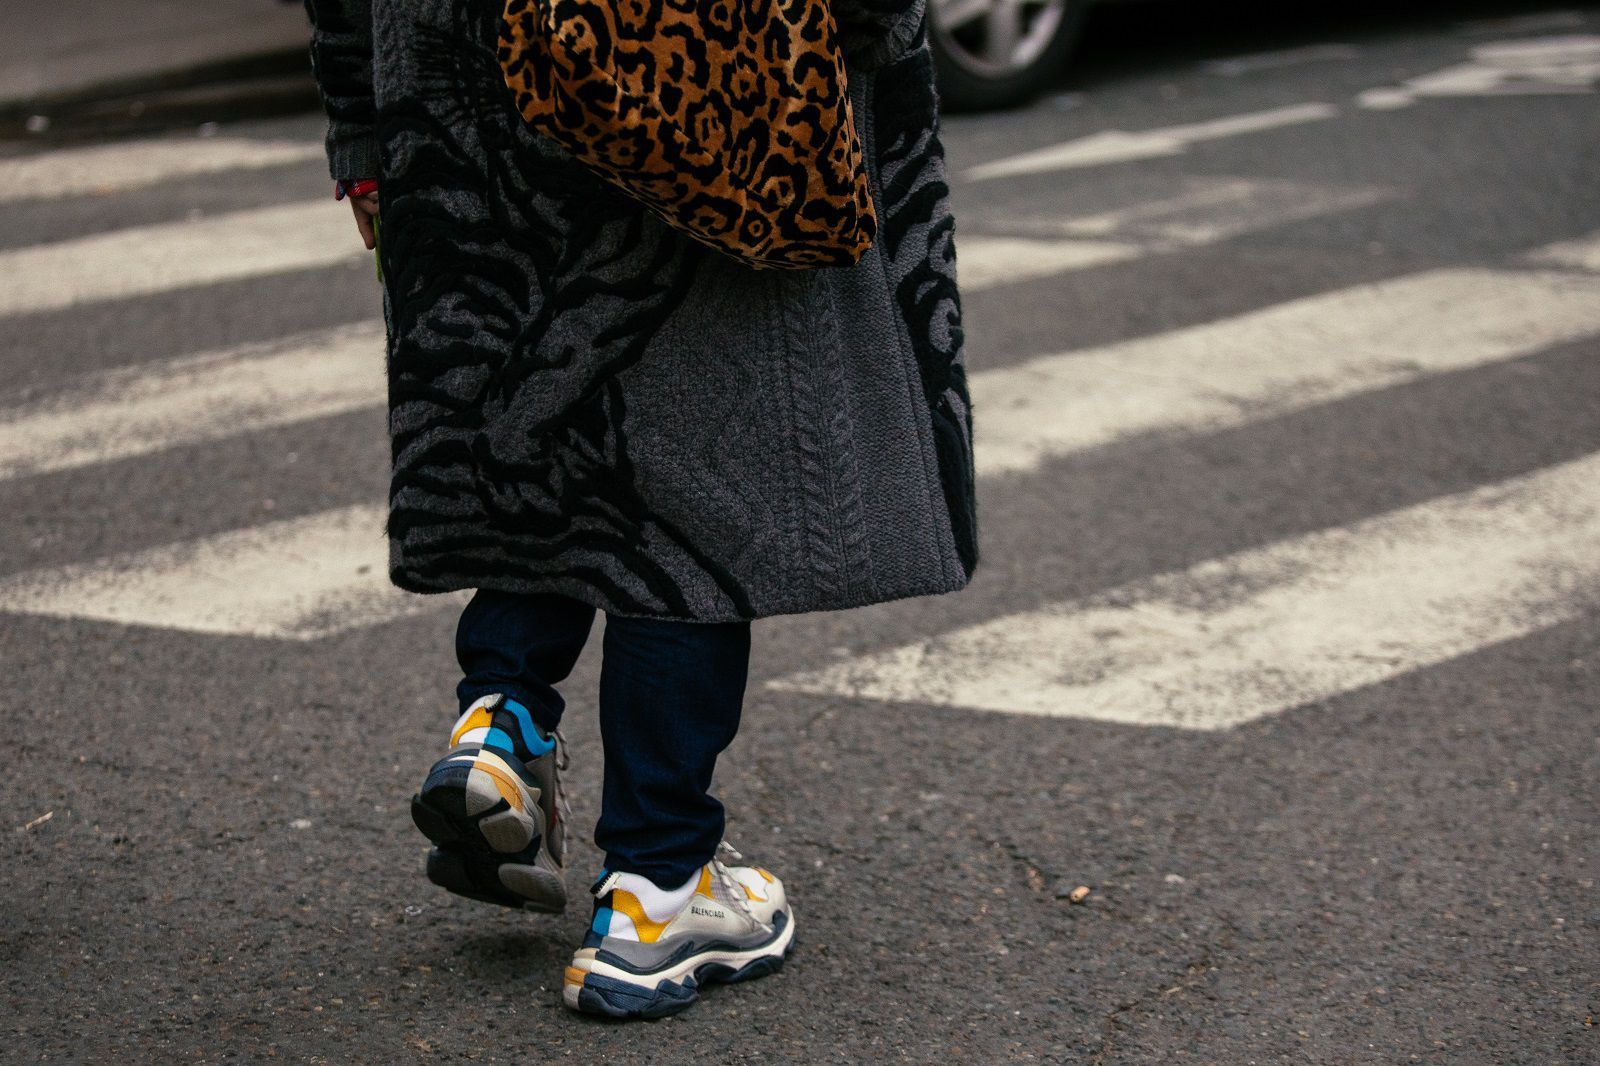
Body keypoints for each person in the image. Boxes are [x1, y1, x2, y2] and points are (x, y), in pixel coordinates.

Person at [303, 0, 976, 1019]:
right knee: (694, 492)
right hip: (707, 71)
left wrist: (363, 132)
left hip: (454, 68)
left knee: (543, 429)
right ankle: (655, 890)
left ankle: (501, 723)